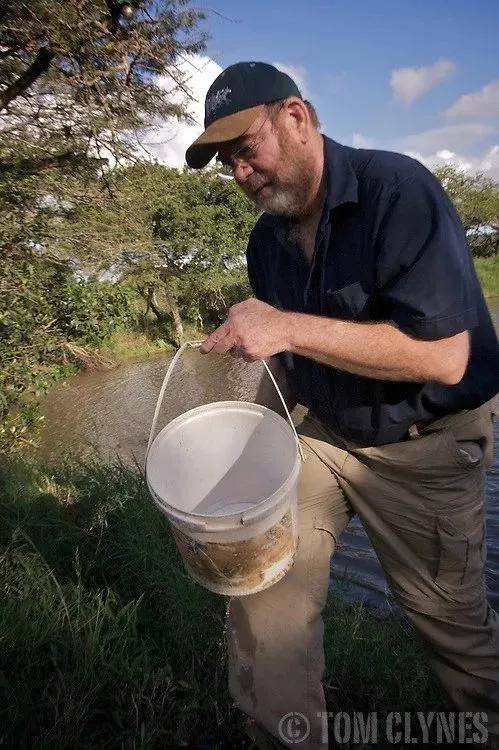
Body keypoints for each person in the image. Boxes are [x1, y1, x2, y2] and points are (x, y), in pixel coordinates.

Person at [185, 61, 499, 749]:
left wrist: (284, 326)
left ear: (296, 119)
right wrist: (253, 450)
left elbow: (444, 357)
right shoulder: (264, 240)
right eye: (227, 166)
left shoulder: (397, 190)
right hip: (325, 437)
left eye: (246, 152)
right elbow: (289, 368)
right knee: (261, 587)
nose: (240, 176)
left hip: (425, 443)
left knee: (453, 634)